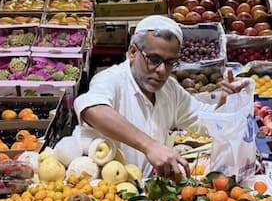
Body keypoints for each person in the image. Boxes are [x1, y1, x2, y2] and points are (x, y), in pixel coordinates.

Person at [74, 15, 248, 179]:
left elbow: (204, 120)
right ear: (133, 52)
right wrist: (150, 145)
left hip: (147, 194)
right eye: (154, 59)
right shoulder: (112, 79)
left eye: (170, 62)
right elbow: (92, 108)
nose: (162, 70)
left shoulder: (170, 90)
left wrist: (226, 99)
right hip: (108, 196)